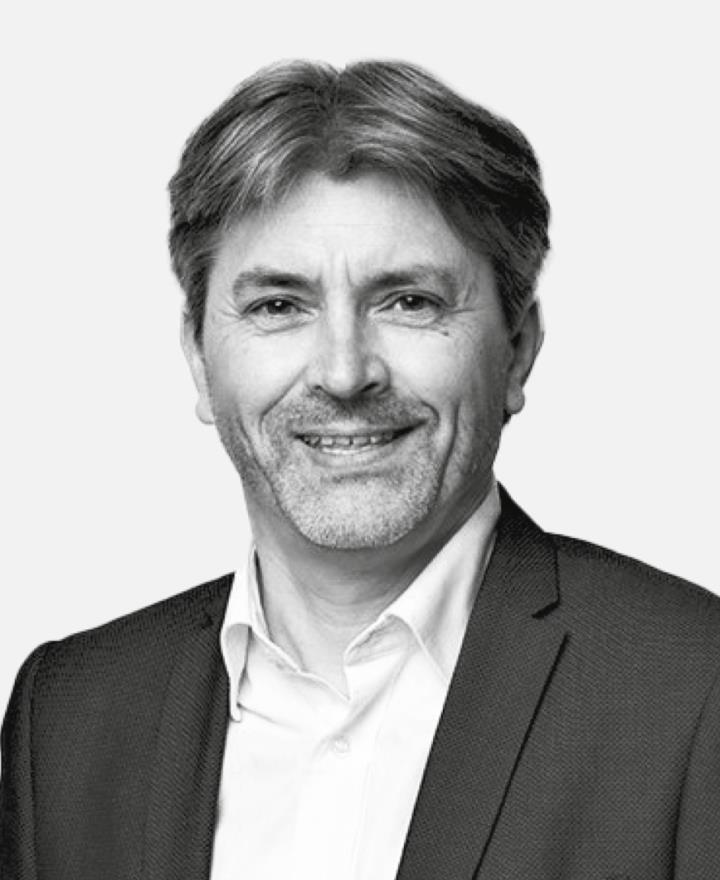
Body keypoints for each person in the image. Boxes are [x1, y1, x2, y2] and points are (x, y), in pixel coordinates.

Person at [1, 59, 719, 880]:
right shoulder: (67, 716)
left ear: (517, 351)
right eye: (278, 306)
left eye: (409, 301)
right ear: (199, 360)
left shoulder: (694, 689)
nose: (344, 373)